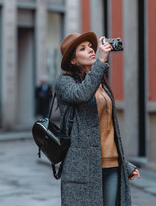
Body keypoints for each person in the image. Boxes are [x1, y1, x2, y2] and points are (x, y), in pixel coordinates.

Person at [55, 32, 140, 206]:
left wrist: (125, 165)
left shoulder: (101, 85)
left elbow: (108, 130)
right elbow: (82, 95)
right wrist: (100, 62)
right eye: (83, 48)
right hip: (82, 169)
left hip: (111, 166)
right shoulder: (64, 83)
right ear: (72, 60)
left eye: (91, 47)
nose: (91, 50)